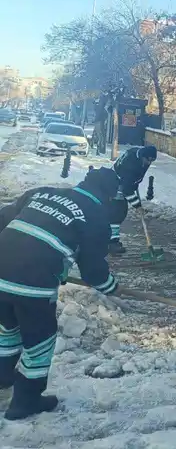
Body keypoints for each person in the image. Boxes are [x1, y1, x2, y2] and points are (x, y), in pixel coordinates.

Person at [0, 168, 120, 420]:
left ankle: (2, 377)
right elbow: (93, 271)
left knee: (8, 328)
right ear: (109, 196)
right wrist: (110, 285)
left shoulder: (43, 193)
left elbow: (3, 219)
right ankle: (25, 401)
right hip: (32, 284)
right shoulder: (96, 216)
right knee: (39, 340)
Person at [109, 145, 157, 255]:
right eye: (148, 160)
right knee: (116, 214)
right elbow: (127, 190)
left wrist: (135, 184)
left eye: (152, 160)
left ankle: (111, 240)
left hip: (123, 183)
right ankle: (112, 243)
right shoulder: (131, 165)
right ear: (143, 157)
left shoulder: (139, 155)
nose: (149, 163)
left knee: (118, 213)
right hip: (115, 186)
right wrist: (137, 206)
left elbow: (135, 179)